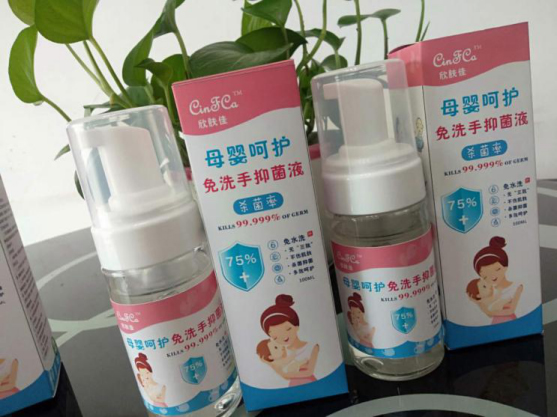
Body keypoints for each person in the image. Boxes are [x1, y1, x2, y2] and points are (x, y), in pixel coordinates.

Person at [258, 294, 319, 386]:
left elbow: (309, 372)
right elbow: (280, 369)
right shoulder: (283, 352)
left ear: (296, 327)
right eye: (275, 337)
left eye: (287, 329)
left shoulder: (312, 347)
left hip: (311, 384)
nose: (283, 336)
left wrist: (286, 374)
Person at [468, 237, 523, 324]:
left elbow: (510, 311)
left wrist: (490, 312)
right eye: (485, 277)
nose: (492, 276)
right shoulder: (490, 291)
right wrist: (478, 302)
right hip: (495, 324)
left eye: (497, 269)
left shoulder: (517, 287)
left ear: (505, 267)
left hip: (510, 323)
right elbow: (488, 312)